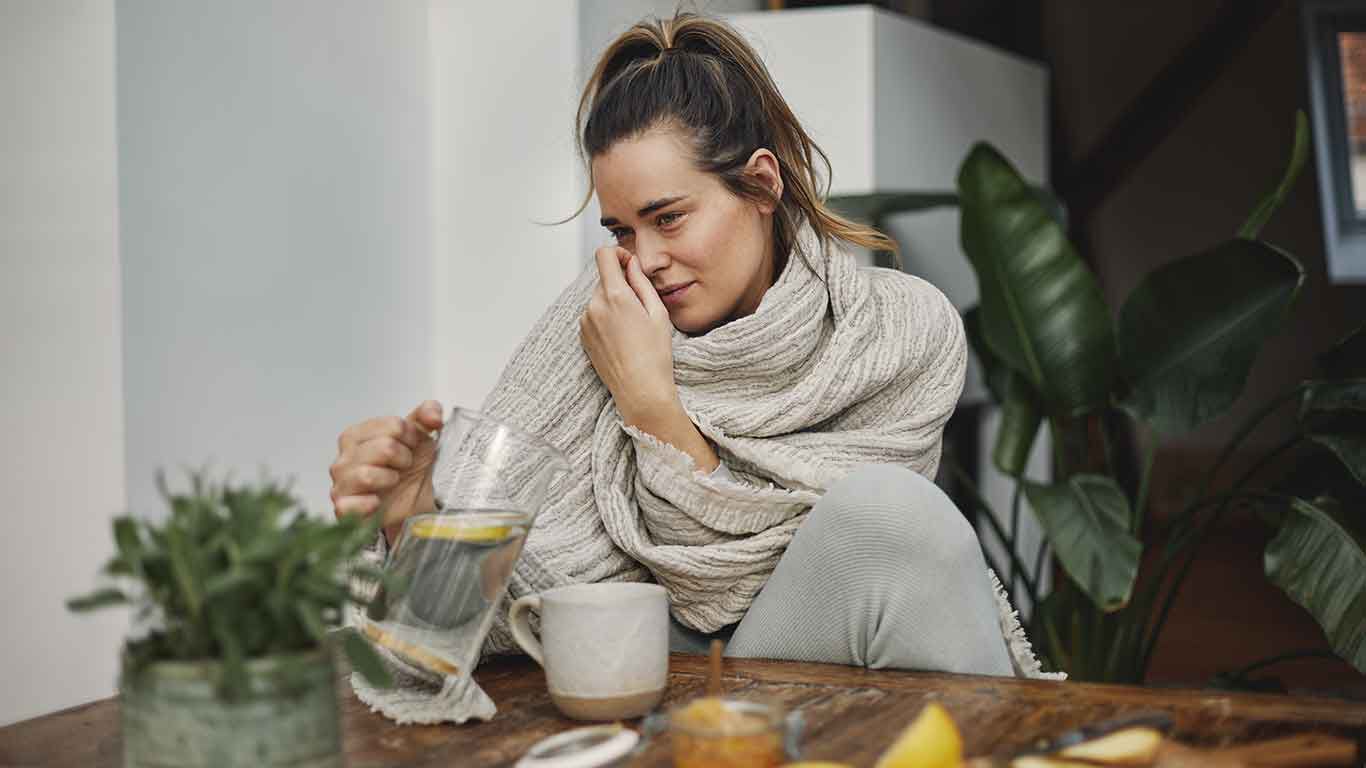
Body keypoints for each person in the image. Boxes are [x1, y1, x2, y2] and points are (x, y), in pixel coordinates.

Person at [331, 11, 1050, 679]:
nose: (642, 259)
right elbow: (429, 636)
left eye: (669, 219)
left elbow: (727, 591)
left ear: (761, 185)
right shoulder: (602, 319)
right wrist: (411, 522)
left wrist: (650, 405)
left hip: (806, 676)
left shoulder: (894, 337)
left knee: (895, 519)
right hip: (643, 687)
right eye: (620, 232)